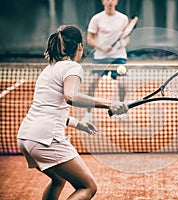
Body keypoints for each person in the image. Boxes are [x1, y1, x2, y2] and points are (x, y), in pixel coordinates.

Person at [17, 25, 128, 200]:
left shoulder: (49, 70)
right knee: (87, 187)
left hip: (26, 137)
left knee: (58, 180)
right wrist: (109, 103)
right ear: (79, 47)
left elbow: (49, 108)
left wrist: (77, 123)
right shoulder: (72, 68)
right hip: (46, 140)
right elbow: (70, 96)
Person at [83, 0, 129, 122]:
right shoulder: (96, 19)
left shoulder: (123, 18)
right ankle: (88, 114)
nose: (110, 1)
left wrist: (123, 43)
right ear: (103, 1)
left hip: (118, 57)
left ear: (116, 1)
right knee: (92, 84)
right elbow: (89, 39)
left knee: (123, 84)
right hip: (101, 57)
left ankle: (121, 110)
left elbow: (126, 36)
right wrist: (102, 47)